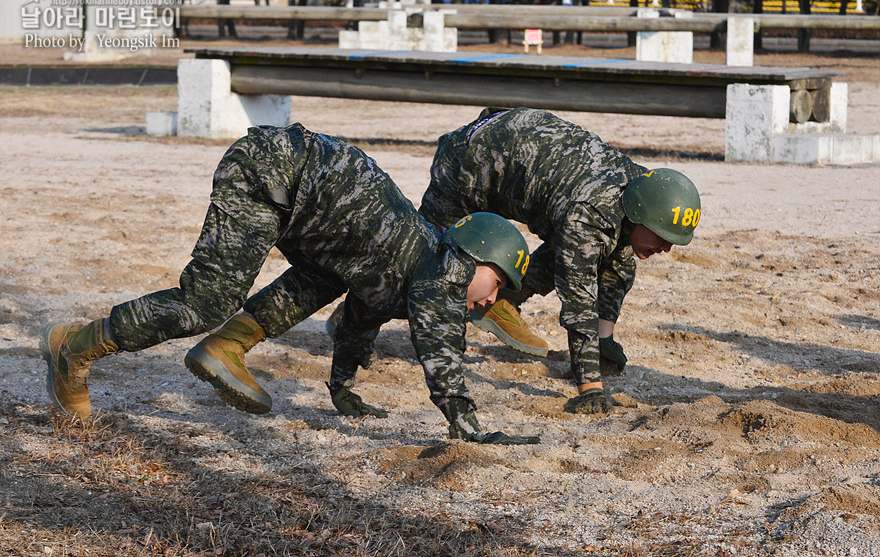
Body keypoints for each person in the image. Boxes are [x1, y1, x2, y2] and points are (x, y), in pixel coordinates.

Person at [40, 123, 538, 445]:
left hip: (301, 198)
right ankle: (74, 347)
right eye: (496, 283)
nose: (493, 299)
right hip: (271, 171)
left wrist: (342, 386)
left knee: (324, 278)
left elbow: (362, 316)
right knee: (206, 299)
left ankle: (226, 348)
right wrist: (467, 425)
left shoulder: (409, 262)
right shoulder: (437, 268)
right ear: (471, 259)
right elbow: (439, 344)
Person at [416, 107, 702, 415]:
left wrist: (603, 340)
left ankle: (504, 301)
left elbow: (618, 265)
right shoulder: (589, 213)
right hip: (469, 159)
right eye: (661, 237)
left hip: (516, 142)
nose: (666, 248)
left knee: (590, 251)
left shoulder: (642, 191)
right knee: (431, 269)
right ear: (640, 216)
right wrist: (590, 388)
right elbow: (579, 298)